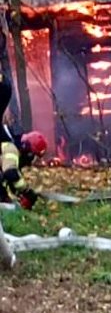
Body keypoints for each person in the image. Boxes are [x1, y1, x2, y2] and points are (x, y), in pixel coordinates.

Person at [0, 71, 46, 209]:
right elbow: (10, 173)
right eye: (33, 156)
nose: (31, 161)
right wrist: (26, 191)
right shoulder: (10, 147)